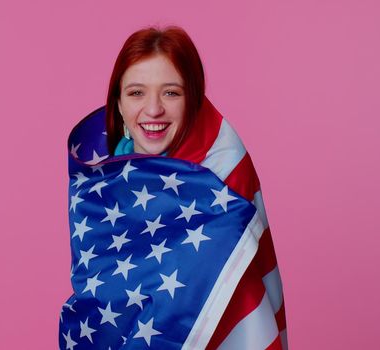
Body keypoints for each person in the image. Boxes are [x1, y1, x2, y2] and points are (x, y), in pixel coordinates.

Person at [60, 26, 287, 349]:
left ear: (192, 101)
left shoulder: (221, 184)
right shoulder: (97, 189)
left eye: (171, 92)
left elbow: (237, 316)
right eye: (137, 92)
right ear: (119, 104)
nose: (153, 110)